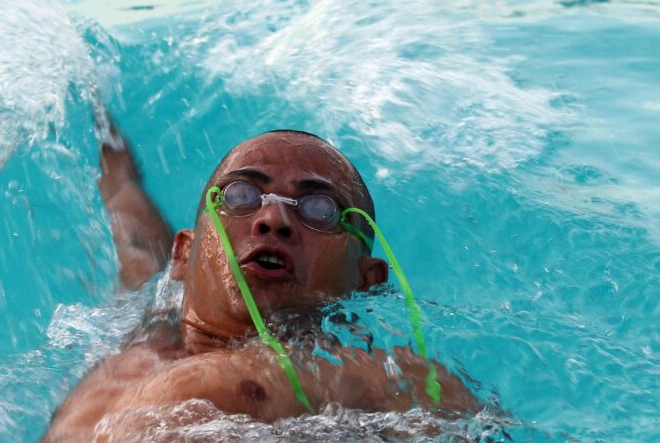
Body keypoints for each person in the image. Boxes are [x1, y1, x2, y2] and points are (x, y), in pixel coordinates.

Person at [42, 120, 479, 441]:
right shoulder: (145, 333)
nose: (274, 218)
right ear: (184, 253)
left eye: (320, 209)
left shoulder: (392, 381)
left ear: (367, 281)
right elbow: (134, 231)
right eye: (241, 195)